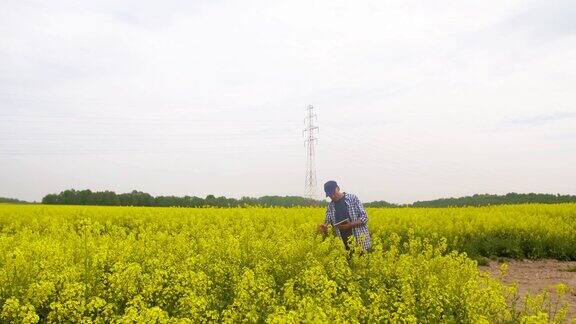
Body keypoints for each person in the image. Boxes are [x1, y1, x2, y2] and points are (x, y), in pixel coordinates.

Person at [317, 180, 371, 251]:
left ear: (338, 188)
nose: (332, 196)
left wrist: (350, 225)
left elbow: (365, 217)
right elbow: (327, 223)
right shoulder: (330, 206)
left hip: (360, 244)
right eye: (330, 195)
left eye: (333, 193)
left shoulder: (352, 199)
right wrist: (324, 227)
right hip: (344, 248)